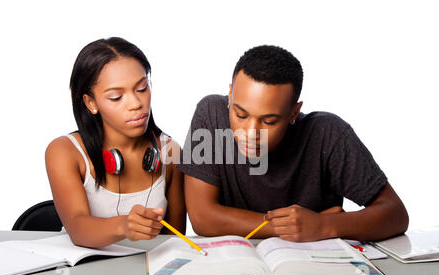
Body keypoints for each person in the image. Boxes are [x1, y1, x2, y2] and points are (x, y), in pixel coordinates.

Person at [177, 45, 408, 242]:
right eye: (240, 114)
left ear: (293, 112)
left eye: (268, 121)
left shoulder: (328, 133)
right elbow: (203, 218)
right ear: (230, 95)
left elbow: (396, 214)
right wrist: (287, 227)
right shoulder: (210, 114)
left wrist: (323, 226)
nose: (250, 132)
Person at [45, 37, 185, 248]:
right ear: (91, 103)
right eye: (116, 97)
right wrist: (124, 226)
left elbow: (174, 241)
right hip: (84, 270)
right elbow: (77, 227)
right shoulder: (64, 152)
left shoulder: (170, 152)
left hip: (148, 273)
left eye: (142, 88)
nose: (136, 104)